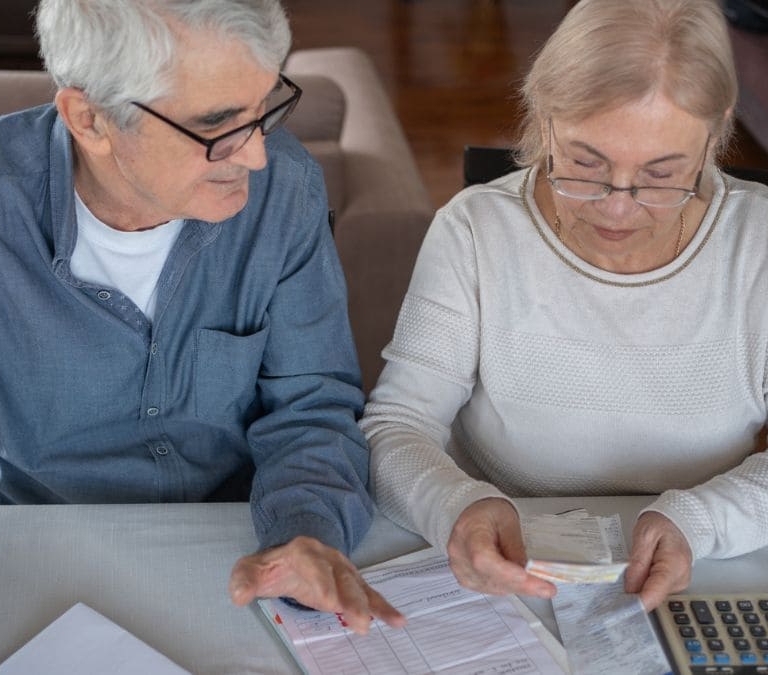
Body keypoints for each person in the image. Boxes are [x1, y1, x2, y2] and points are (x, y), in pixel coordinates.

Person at [0, 0, 402, 634]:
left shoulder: (286, 190)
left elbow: (311, 405)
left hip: (239, 540)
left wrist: (306, 533)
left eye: (264, 109)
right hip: (39, 548)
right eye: (217, 126)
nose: (257, 158)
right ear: (91, 119)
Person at [361, 0, 768, 612]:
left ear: (716, 133)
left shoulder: (758, 244)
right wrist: (457, 507)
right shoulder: (475, 230)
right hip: (504, 570)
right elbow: (395, 427)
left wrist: (701, 519)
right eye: (584, 163)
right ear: (543, 119)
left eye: (661, 175)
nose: (617, 209)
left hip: (702, 568)